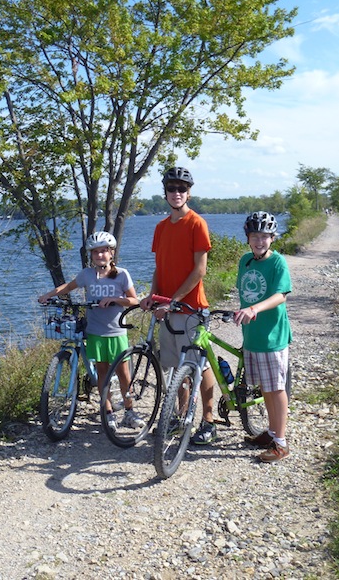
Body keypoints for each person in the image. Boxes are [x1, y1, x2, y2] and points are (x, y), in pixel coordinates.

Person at [140, 166, 217, 445]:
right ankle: (181, 417)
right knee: (176, 369)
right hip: (167, 310)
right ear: (165, 193)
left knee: (199, 366)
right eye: (171, 189)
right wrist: (153, 295)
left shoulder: (197, 223)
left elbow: (199, 270)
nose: (176, 193)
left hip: (191, 309)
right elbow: (160, 268)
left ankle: (208, 421)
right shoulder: (161, 227)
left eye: (182, 189)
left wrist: (174, 300)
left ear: (189, 192)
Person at [38, 231, 142, 432]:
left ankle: (129, 411)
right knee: (102, 372)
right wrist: (48, 295)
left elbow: (134, 300)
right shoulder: (87, 274)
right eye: (95, 252)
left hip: (116, 331)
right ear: (91, 255)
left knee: (123, 374)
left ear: (111, 253)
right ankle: (108, 412)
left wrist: (114, 300)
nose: (100, 255)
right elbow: (69, 287)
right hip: (95, 331)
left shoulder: (121, 274)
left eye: (104, 251)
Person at [233, 211, 293, 462]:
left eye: (264, 236)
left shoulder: (277, 262)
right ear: (248, 238)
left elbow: (281, 295)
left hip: (272, 336)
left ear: (272, 238)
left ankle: (281, 443)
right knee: (264, 388)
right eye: (255, 236)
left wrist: (254, 309)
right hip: (252, 336)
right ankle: (271, 432)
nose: (259, 241)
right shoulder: (246, 261)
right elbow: (244, 293)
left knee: (276, 388)